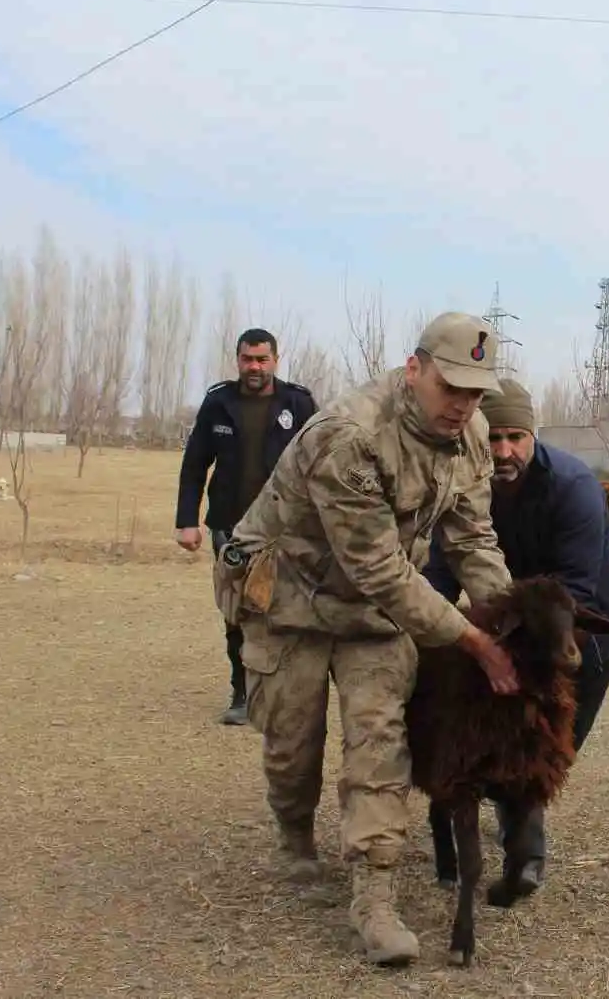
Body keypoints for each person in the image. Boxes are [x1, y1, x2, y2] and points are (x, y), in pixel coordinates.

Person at [218, 311, 520, 968]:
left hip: (374, 616)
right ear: (414, 371)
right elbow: (377, 567)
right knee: (293, 743)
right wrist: (471, 639)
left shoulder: (468, 435)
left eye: (476, 393)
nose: (463, 406)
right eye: (451, 388)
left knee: (380, 739)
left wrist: (506, 620)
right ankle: (295, 835)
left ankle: (375, 898)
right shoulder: (351, 434)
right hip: (290, 596)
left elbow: (472, 539)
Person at [422, 376, 609, 896]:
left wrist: (496, 621)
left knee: (547, 748)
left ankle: (525, 856)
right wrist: (427, 621)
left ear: (533, 436)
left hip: (582, 634)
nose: (503, 450)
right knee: (503, 734)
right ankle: (497, 844)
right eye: (493, 437)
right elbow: (444, 567)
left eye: (514, 437)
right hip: (515, 634)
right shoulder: (461, 488)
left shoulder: (573, 487)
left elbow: (575, 587)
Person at [174, 328, 318, 725]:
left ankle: (285, 695)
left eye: (262, 359)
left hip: (286, 530)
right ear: (237, 359)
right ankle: (242, 693)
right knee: (237, 615)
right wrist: (187, 521)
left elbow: (324, 463)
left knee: (287, 613)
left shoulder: (299, 403)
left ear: (275, 359)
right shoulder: (218, 402)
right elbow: (194, 465)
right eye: (247, 359)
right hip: (231, 527)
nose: (254, 367)